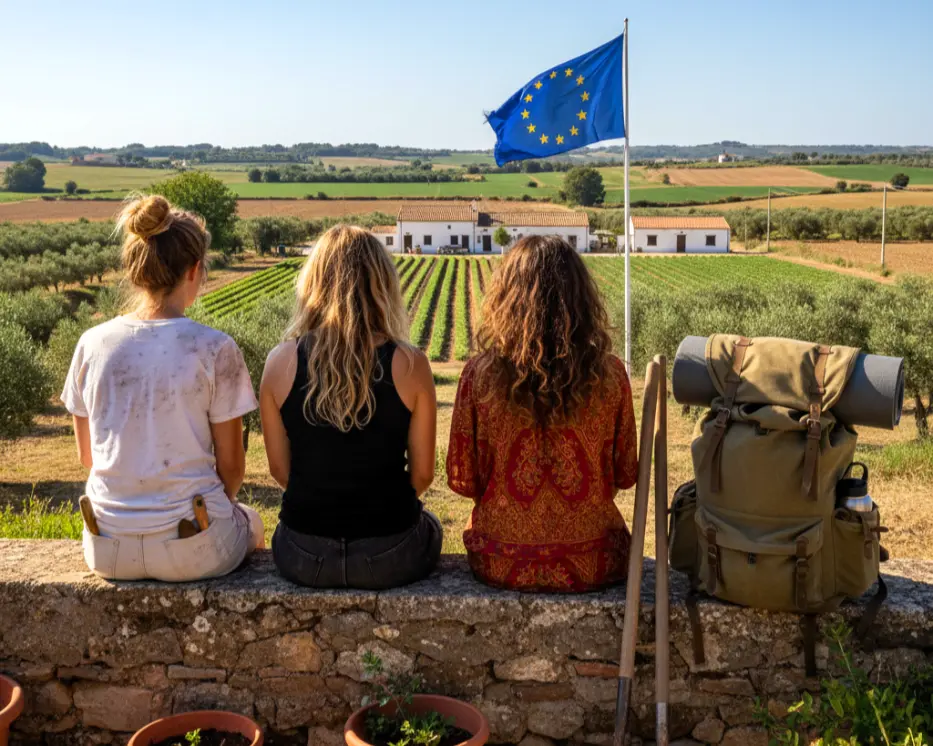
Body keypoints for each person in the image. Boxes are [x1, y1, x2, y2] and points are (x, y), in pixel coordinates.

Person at [62, 195, 264, 582]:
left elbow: (88, 457)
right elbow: (232, 470)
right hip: (193, 547)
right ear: (195, 270)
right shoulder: (214, 348)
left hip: (105, 546)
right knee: (252, 522)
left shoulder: (92, 343)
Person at [447, 235, 638, 592]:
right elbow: (626, 474)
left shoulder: (478, 375)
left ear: (506, 298)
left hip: (501, 560)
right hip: (592, 560)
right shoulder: (611, 375)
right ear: (582, 299)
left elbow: (465, 480)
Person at [260, 225, 440, 590]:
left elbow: (281, 471)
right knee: (432, 526)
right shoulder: (409, 364)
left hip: (302, 554)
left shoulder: (279, 363)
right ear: (383, 284)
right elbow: (422, 475)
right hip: (390, 555)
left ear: (313, 284)